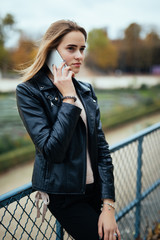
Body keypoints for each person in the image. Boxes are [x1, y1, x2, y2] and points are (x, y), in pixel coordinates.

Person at [16, 20, 120, 240]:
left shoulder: (86, 89)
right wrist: (68, 98)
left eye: (82, 49)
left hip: (94, 191)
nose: (79, 56)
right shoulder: (29, 91)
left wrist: (108, 204)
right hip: (64, 195)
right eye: (71, 49)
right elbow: (52, 150)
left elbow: (101, 149)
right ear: (52, 52)